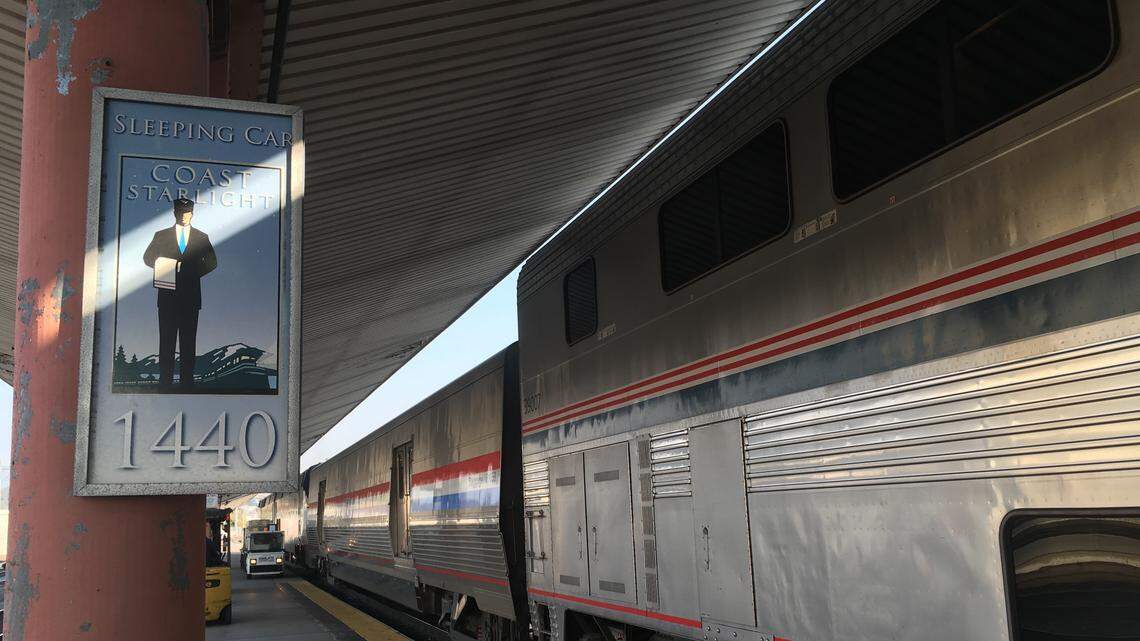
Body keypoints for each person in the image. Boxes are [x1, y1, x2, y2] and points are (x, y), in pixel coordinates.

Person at [143, 198, 217, 391]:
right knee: (166, 341)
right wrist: (169, 265)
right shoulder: (161, 236)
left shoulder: (202, 237)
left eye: (188, 212)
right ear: (175, 213)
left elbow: (212, 262)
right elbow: (148, 257)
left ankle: (187, 383)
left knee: (188, 342)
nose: (185, 216)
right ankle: (164, 383)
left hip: (191, 298)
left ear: (192, 214)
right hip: (167, 297)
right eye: (181, 212)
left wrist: (190, 271)